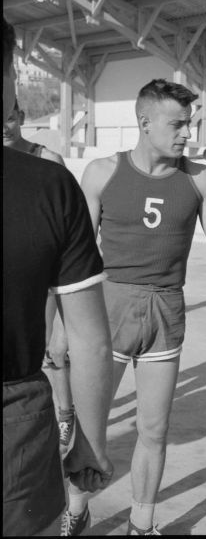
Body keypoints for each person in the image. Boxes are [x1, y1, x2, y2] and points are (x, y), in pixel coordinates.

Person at [72, 78, 206, 536]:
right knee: (89, 426)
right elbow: (77, 257)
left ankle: (142, 523)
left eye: (190, 124)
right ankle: (75, 509)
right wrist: (62, 323)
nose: (188, 134)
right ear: (145, 123)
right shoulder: (102, 172)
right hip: (109, 309)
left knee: (154, 428)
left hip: (166, 310)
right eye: (178, 124)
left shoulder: (199, 177)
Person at [3, 17, 114, 537]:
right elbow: (91, 339)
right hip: (15, 419)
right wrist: (88, 439)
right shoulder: (50, 186)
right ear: (10, 81)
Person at [4, 99, 76, 453]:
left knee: (55, 352)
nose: (4, 125)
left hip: (47, 283)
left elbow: (72, 237)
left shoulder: (47, 160)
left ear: (19, 116)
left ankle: (65, 415)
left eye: (10, 117)